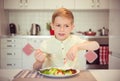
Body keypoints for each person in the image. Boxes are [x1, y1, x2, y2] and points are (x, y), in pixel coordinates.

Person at [33, 8, 99, 70]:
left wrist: (76, 47)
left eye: (66, 26)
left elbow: (96, 45)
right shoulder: (46, 44)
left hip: (73, 76)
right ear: (52, 26)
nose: (62, 30)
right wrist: (39, 62)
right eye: (58, 25)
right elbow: (35, 68)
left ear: (72, 27)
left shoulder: (75, 40)